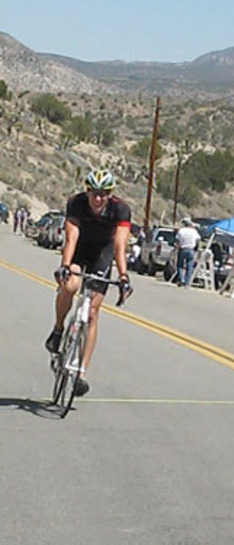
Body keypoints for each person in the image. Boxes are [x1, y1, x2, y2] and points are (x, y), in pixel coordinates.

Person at [44, 169, 132, 396]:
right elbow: (71, 237)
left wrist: (123, 277)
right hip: (79, 249)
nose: (98, 198)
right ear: (87, 191)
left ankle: (81, 374)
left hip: (102, 253)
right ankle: (58, 329)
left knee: (92, 313)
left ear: (110, 194)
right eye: (94, 193)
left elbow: (120, 246)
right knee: (71, 285)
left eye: (103, 194)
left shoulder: (121, 209)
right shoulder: (76, 203)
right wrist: (65, 265)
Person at [175, 217, 201, 287]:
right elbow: (198, 240)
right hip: (191, 249)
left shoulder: (181, 231)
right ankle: (187, 282)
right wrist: (196, 248)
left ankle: (181, 279)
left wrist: (178, 246)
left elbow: (177, 240)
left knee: (180, 265)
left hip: (183, 248)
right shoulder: (194, 231)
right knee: (189, 266)